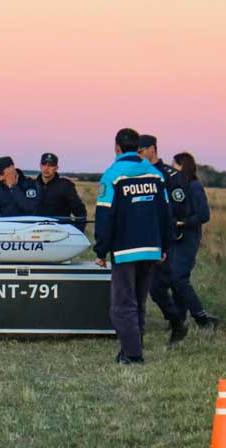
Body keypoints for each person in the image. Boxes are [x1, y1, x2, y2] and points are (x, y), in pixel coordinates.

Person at [94, 128, 171, 365]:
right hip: (151, 248)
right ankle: (134, 345)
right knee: (139, 300)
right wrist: (164, 246)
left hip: (125, 250)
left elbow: (105, 216)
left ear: (117, 147)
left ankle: (132, 354)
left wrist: (101, 250)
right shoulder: (155, 174)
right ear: (138, 148)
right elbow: (165, 213)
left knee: (122, 305)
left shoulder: (112, 175)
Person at [138, 134, 192, 343]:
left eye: (143, 150)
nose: (140, 154)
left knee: (165, 284)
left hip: (166, 239)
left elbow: (180, 207)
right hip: (144, 238)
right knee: (152, 287)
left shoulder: (170, 175)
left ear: (153, 149)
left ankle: (178, 322)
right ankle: (175, 321)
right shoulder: (140, 173)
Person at [168, 152, 218, 329]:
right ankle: (179, 319)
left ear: (183, 166)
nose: (171, 168)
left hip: (189, 237)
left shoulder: (194, 186)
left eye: (174, 165)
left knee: (178, 278)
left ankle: (202, 318)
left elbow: (204, 215)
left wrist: (183, 222)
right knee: (175, 280)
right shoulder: (177, 186)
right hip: (176, 237)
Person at [33, 152, 87, 231]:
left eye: (51, 165)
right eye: (44, 164)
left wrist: (78, 233)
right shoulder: (32, 186)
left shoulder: (65, 186)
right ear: (40, 166)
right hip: (34, 233)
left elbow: (80, 211)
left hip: (59, 233)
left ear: (56, 168)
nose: (46, 168)